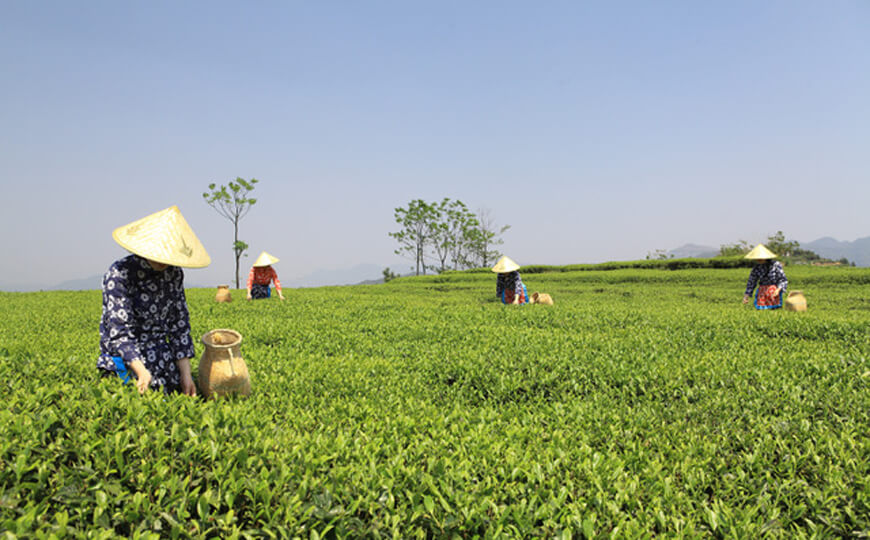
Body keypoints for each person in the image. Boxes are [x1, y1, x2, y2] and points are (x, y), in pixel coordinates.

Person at [97, 205, 211, 395]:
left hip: (162, 359)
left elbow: (179, 324)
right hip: (126, 360)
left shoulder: (173, 273)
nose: (163, 260)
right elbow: (120, 332)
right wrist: (141, 371)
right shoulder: (120, 273)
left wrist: (186, 374)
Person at [742, 244, 788, 310]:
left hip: (774, 291)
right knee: (761, 311)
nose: (758, 259)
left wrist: (778, 289)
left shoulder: (775, 265)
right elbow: (751, 282)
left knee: (775, 310)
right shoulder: (756, 268)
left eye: (760, 257)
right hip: (762, 292)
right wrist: (746, 296)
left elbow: (782, 279)